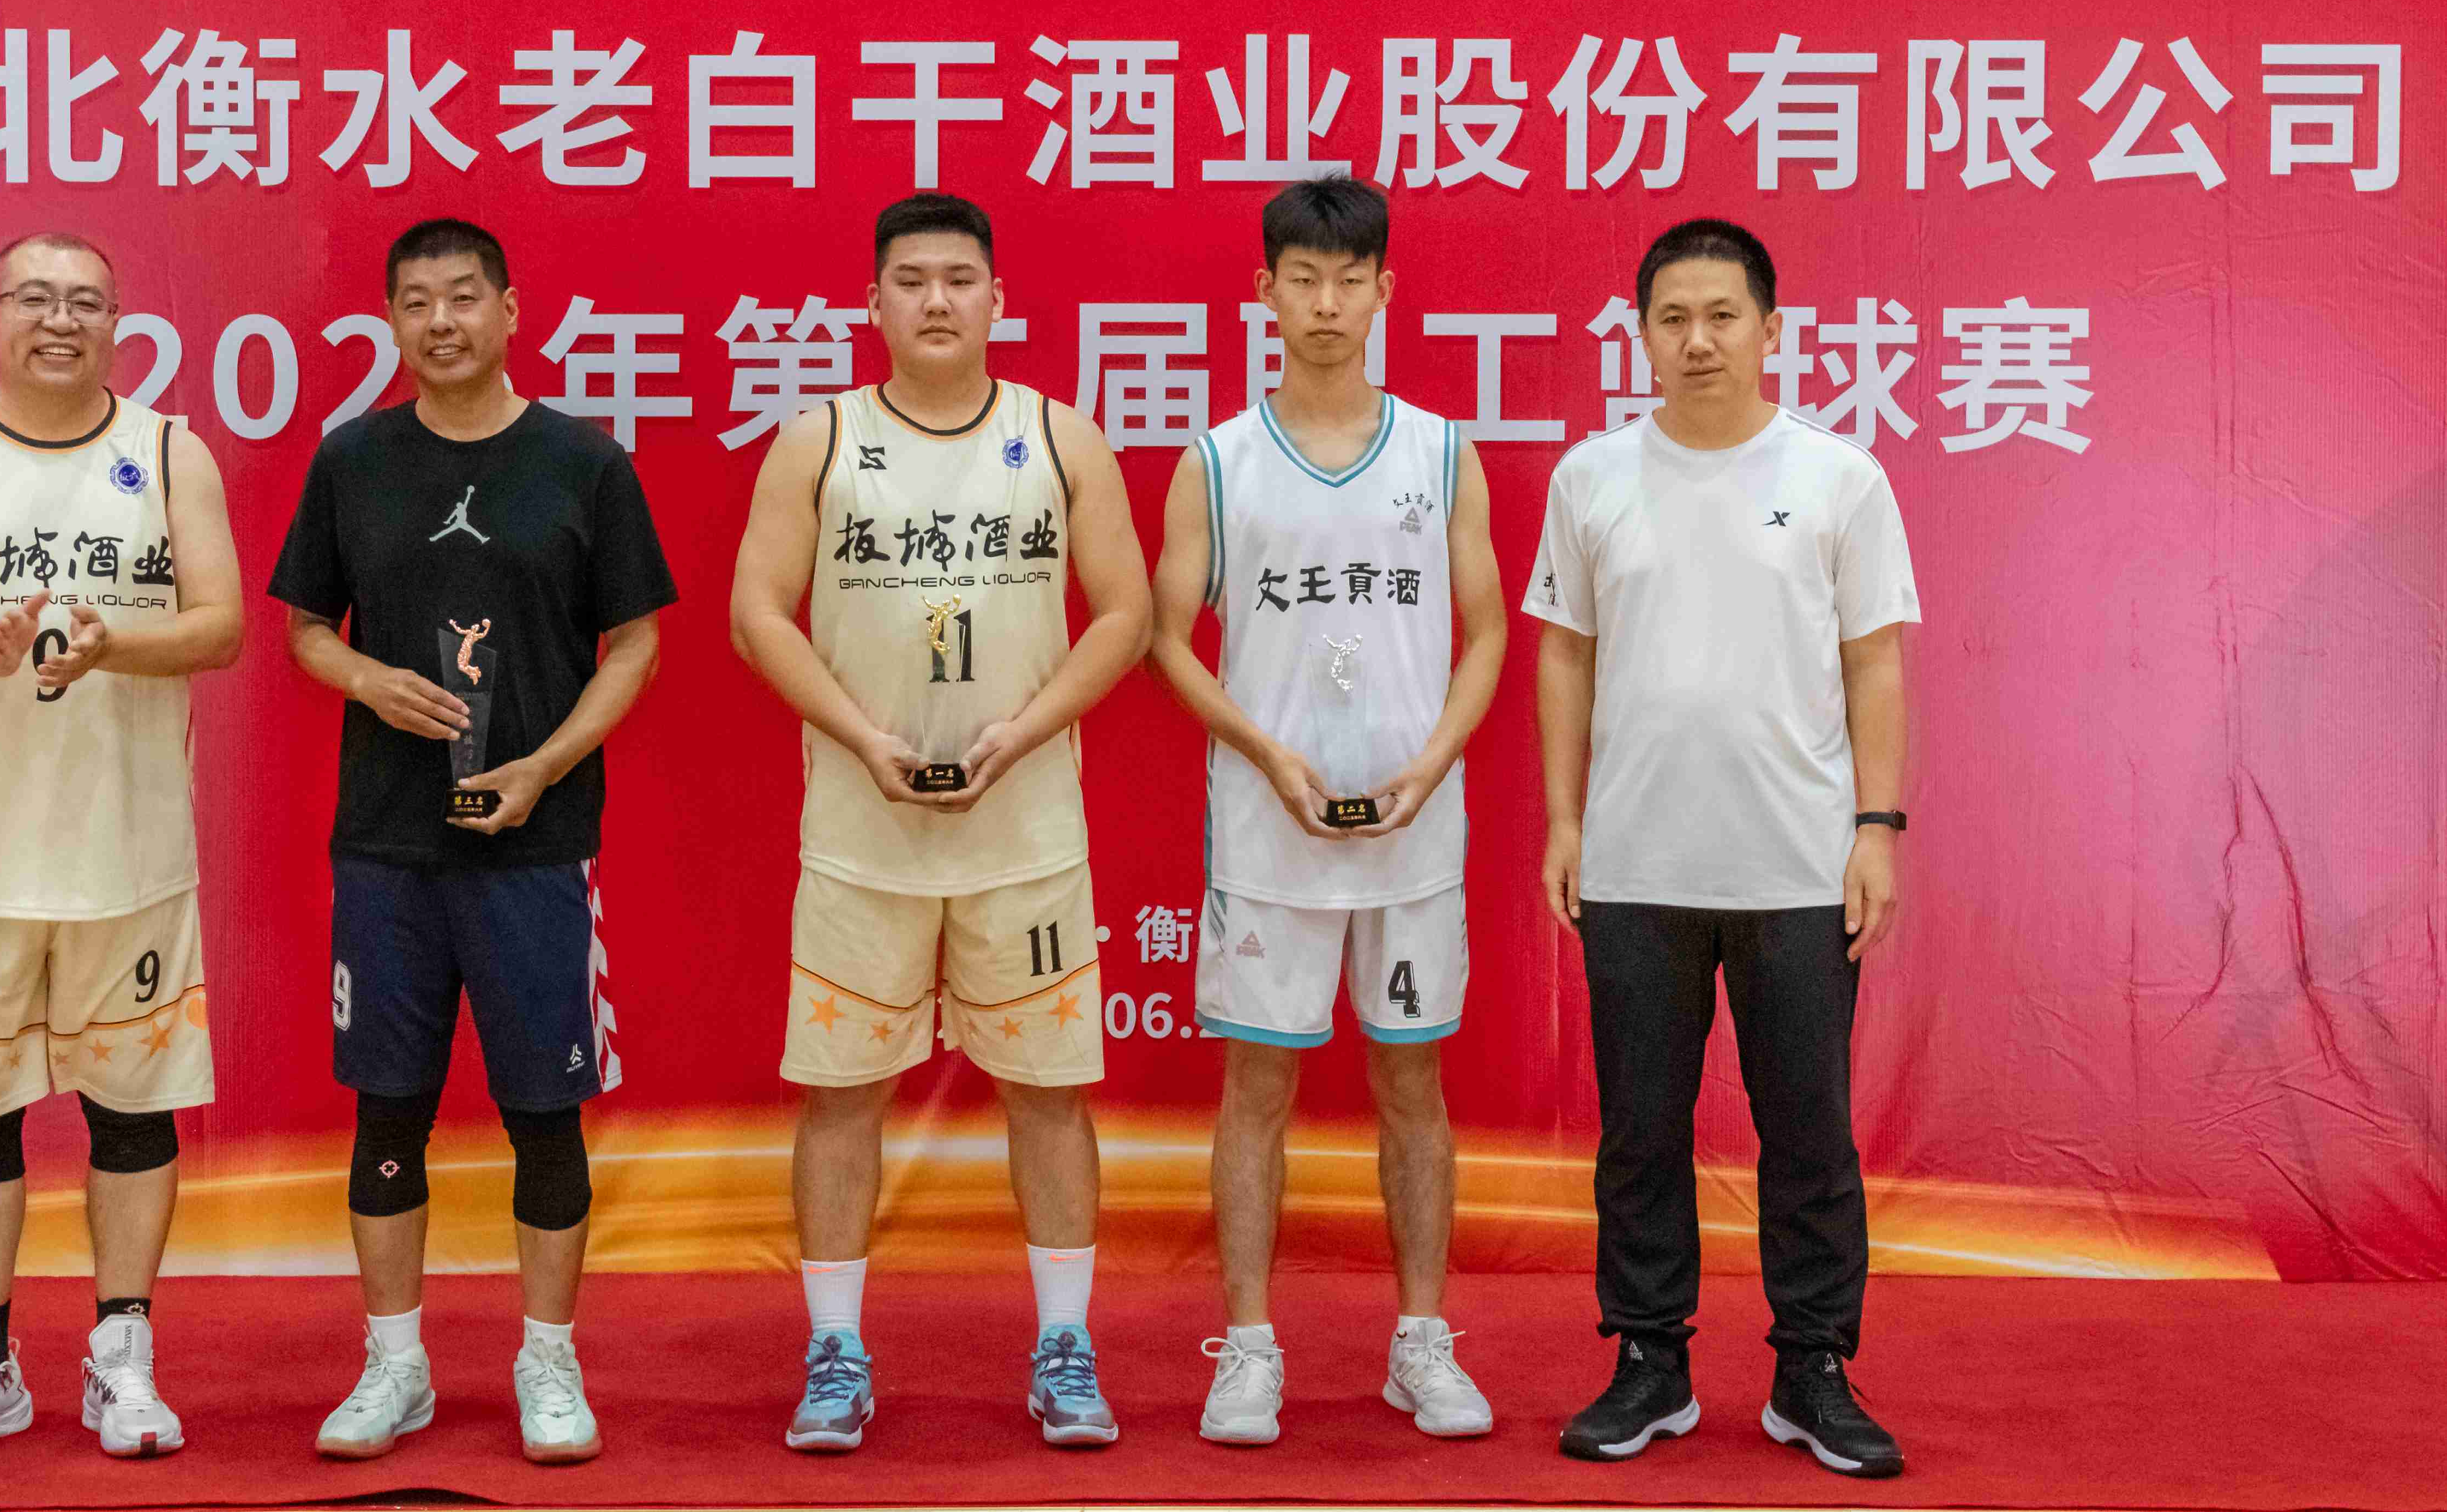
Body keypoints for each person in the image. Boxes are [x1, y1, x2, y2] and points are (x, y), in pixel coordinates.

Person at [728, 191, 1150, 1451]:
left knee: (1047, 1096)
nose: (935, 301)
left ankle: (1065, 1345)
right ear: (871, 303)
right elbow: (756, 612)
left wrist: (1024, 732)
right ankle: (834, 1352)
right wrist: (861, 740)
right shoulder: (820, 441)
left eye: (959, 279)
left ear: (997, 300)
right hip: (863, 840)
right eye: (909, 280)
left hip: (1025, 839)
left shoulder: (1058, 437)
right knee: (840, 1097)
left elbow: (1125, 614)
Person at [269, 218, 675, 1466]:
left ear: (509, 309)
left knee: (543, 1114)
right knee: (387, 1111)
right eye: (414, 302)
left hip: (536, 850)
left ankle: (547, 1360)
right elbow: (303, 631)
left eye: (461, 297)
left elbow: (637, 644)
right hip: (387, 849)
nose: (439, 322)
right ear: (391, 321)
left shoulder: (582, 462)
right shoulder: (353, 459)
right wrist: (367, 679)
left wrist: (549, 763)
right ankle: (394, 1366)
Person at [0, 233, 244, 1465]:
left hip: (128, 854)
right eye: (34, 298)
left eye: (86, 302)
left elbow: (222, 625)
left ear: (120, 323)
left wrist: (116, 644)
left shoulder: (169, 453)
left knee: (133, 1114)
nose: (60, 321)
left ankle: (124, 1356)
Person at [1531, 218, 1917, 1479]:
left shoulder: (1839, 477)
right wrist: (1566, 819)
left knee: (1807, 1132)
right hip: (1635, 862)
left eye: (1720, 316)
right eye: (1670, 318)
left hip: (1797, 866)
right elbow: (1563, 653)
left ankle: (1812, 1368)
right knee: (1638, 1131)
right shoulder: (1591, 477)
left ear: (1769, 329)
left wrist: (1874, 828)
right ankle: (1648, 1360)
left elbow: (1873, 659)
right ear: (1640, 334)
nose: (1696, 340)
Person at [1149, 177, 1506, 1445]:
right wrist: (1266, 753)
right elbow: (1168, 638)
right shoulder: (1218, 462)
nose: (1324, 303)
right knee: (1256, 1088)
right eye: (1300, 279)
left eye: (1349, 281)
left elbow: (1486, 631)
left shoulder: (1440, 452)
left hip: (1411, 838)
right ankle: (1248, 1349)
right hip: (1269, 836)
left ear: (1383, 292)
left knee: (1413, 1085)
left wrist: (1431, 762)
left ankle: (1421, 1341)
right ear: (1263, 292)